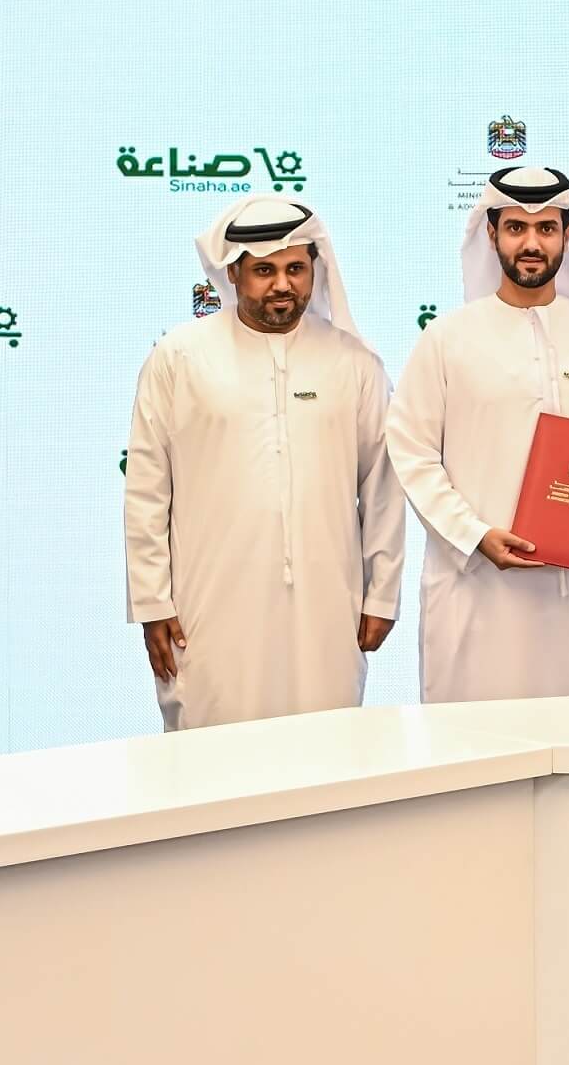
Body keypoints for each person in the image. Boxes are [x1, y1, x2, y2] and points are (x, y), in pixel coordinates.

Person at [124, 197, 404, 730]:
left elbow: (383, 488)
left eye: (295, 269)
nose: (282, 284)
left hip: (327, 604)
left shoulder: (354, 364)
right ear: (233, 273)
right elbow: (146, 488)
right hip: (208, 604)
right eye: (264, 270)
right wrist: (152, 603)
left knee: (326, 748)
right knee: (213, 748)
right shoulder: (179, 357)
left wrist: (382, 595)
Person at [385, 166, 569, 702]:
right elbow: (412, 450)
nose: (531, 243)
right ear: (491, 233)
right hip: (476, 587)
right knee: (476, 737)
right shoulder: (448, 338)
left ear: (567, 235)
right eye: (516, 228)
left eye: (546, 228)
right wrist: (474, 534)